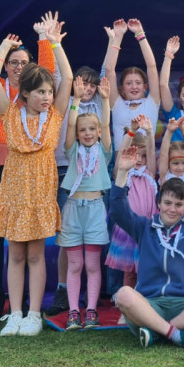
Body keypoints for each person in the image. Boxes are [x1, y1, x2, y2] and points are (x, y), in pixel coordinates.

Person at [0, 0, 55, 319]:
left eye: (24, 62)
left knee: (25, 237)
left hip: (24, 169)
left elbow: (46, 69)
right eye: (13, 62)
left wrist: (44, 38)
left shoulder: (36, 96)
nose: (19, 66)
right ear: (5, 66)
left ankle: (22, 305)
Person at [0, 20, 72, 337]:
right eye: (40, 92)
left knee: (36, 253)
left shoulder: (56, 115)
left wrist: (55, 43)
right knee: (16, 254)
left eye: (49, 91)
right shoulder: (10, 112)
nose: (47, 97)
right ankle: (16, 313)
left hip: (41, 191)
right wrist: (6, 46)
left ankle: (34, 313)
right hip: (14, 190)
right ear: (26, 94)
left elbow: (70, 77)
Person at [111, 146, 184, 349]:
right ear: (158, 203)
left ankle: (159, 333)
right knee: (123, 295)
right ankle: (177, 334)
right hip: (150, 305)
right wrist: (122, 172)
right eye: (168, 203)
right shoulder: (143, 227)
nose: (172, 209)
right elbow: (119, 211)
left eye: (178, 204)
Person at [57, 76, 113, 330]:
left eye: (92, 129)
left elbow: (108, 123)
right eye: (83, 130)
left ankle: (91, 310)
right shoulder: (72, 150)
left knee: (91, 264)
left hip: (95, 209)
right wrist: (76, 100)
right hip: (72, 210)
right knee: (75, 264)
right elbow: (69, 127)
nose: (87, 134)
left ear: (98, 132)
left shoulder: (104, 149)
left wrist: (104, 99)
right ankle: (73, 312)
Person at [106, 115, 158, 293]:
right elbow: (122, 153)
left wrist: (150, 132)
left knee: (146, 268)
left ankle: (146, 298)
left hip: (147, 228)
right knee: (129, 271)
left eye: (142, 156)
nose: (139, 159)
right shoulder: (123, 173)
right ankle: (127, 300)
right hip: (129, 229)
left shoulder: (149, 172)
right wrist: (132, 131)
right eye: (136, 155)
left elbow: (151, 151)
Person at [106, 18, 161, 150]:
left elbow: (152, 67)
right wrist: (118, 36)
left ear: (145, 87)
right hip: (120, 165)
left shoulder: (152, 102)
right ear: (123, 89)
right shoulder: (116, 104)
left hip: (146, 165)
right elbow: (109, 70)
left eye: (138, 83)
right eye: (129, 83)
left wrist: (140, 34)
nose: (134, 86)